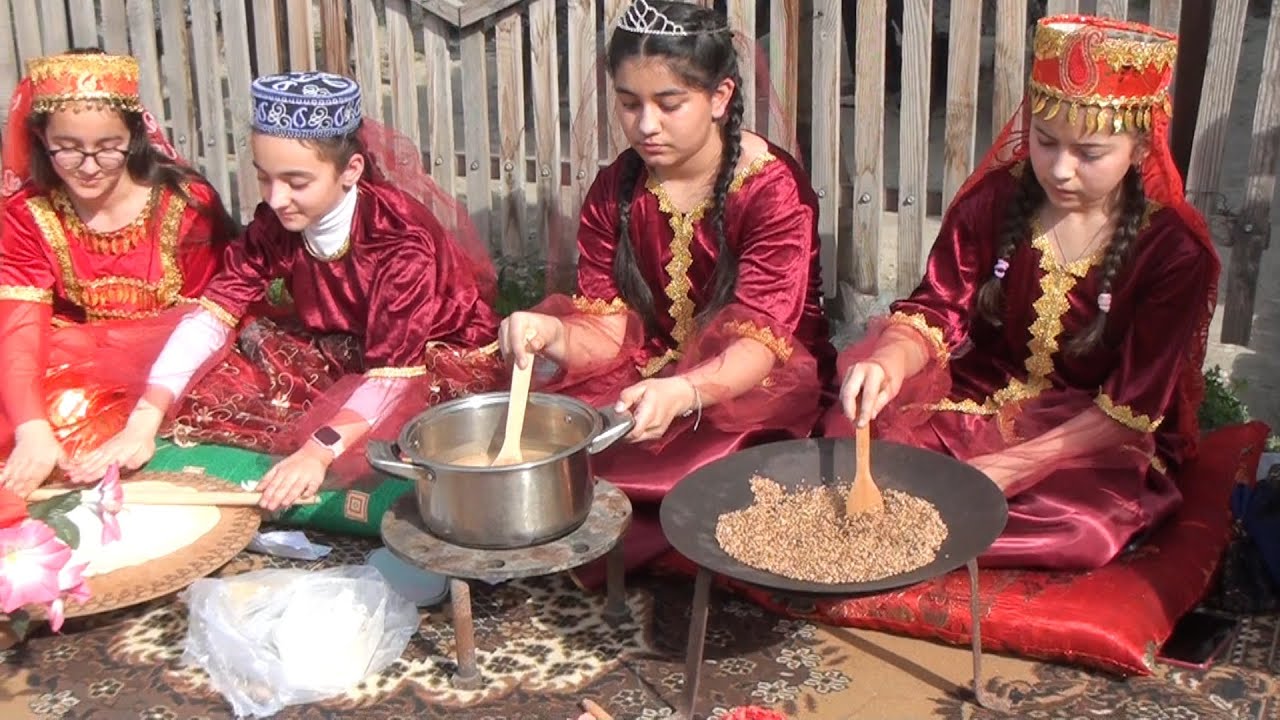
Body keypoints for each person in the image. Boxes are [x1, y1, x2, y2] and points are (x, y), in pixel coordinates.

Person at [826, 15, 1219, 569]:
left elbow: (1131, 407)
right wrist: (889, 361)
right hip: (981, 395)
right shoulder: (995, 200)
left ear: (1138, 149)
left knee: (1081, 526)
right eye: (1045, 141)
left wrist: (1011, 468)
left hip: (1091, 436)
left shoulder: (1173, 252)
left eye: (1088, 152)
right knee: (851, 432)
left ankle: (943, 522)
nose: (1060, 168)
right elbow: (937, 310)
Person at [500, 0, 835, 582]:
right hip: (651, 373)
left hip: (755, 383)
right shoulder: (617, 188)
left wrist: (683, 391)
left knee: (689, 476)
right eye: (629, 104)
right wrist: (552, 332)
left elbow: (760, 346)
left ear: (720, 98)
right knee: (556, 445)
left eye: (668, 104)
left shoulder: (771, 191)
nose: (645, 125)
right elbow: (609, 334)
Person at [74, 71, 503, 513]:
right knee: (217, 374)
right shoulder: (274, 222)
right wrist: (145, 418)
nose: (277, 199)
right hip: (346, 344)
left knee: (393, 439)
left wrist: (318, 451)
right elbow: (216, 310)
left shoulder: (398, 241)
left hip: (426, 357)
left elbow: (393, 373)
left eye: (297, 183)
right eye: (265, 179)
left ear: (350, 170)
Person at [0, 50, 234, 496]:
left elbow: (216, 315)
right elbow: (19, 327)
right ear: (40, 141)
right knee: (43, 409)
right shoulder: (29, 214)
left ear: (136, 136)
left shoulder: (185, 205)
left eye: (108, 149)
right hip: (73, 365)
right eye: (67, 150)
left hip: (180, 362)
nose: (88, 167)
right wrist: (32, 430)